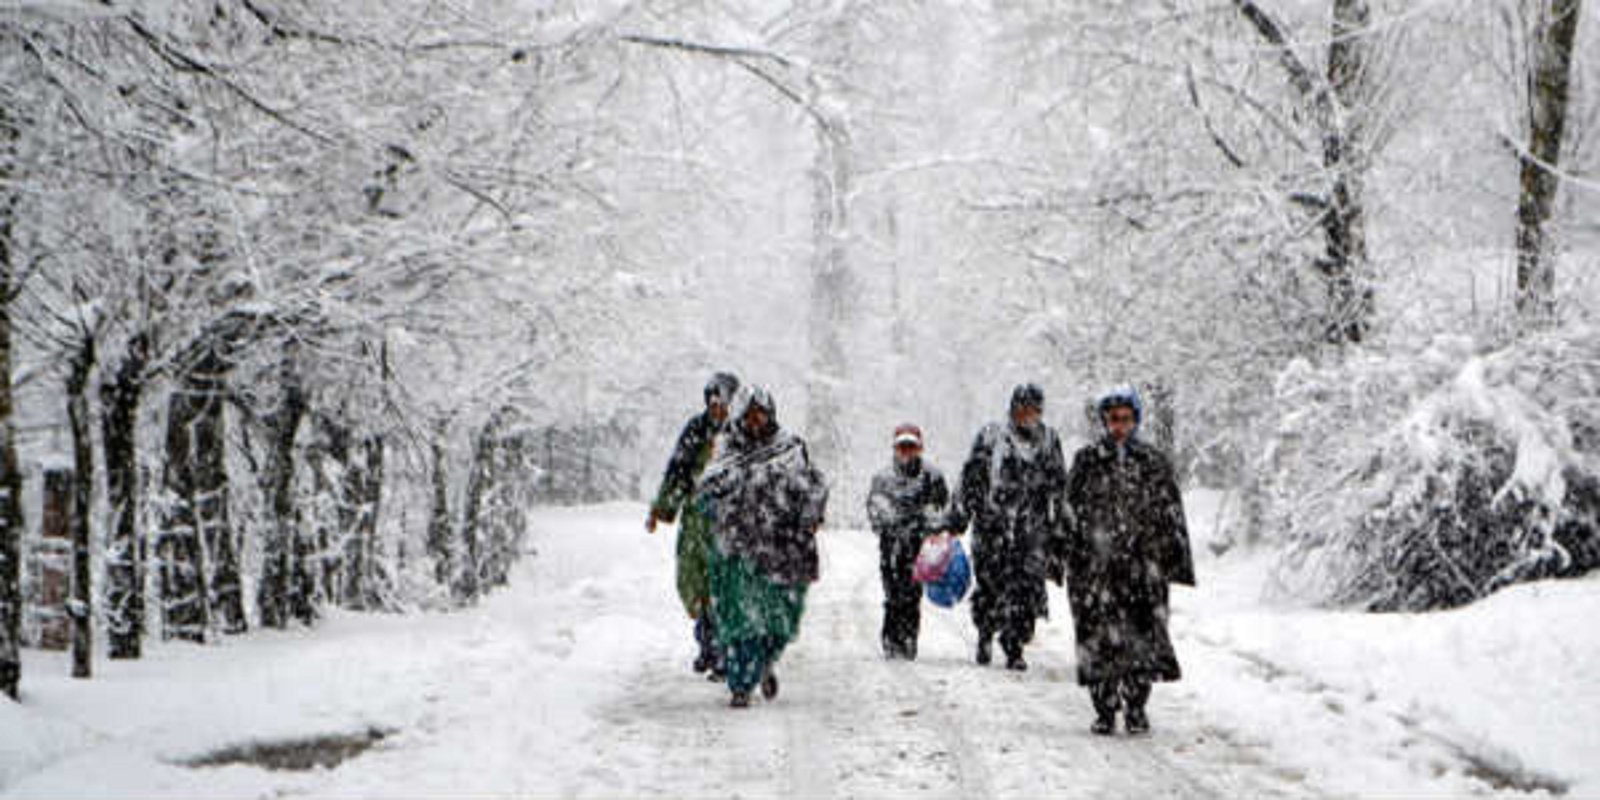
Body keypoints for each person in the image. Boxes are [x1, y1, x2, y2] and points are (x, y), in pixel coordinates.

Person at [1063, 387, 1195, 736]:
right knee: (1098, 639)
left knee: (1142, 640)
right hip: (1097, 569)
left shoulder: (1152, 462)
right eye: (1112, 419)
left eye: (1125, 418)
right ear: (1104, 421)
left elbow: (1171, 514)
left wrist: (1172, 560)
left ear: (1135, 420)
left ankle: (1136, 706)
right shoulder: (1087, 461)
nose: (1119, 425)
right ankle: (1105, 708)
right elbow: (1069, 511)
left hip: (1141, 568)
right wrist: (1065, 554)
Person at [696, 386, 828, 708]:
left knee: (780, 622)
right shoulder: (727, 449)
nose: (756, 422)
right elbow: (707, 493)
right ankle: (741, 684)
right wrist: (730, 500)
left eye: (761, 415)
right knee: (740, 622)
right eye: (750, 416)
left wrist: (809, 516)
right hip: (739, 552)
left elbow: (814, 488)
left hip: (784, 551)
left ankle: (765, 661)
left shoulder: (790, 448)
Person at [948, 383, 1068, 671]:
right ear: (1013, 410)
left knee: (1027, 590)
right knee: (991, 586)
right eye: (1022, 410)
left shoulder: (1049, 441)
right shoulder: (991, 436)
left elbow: (1060, 486)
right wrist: (959, 517)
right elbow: (971, 478)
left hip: (1032, 530)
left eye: (1034, 411)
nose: (1027, 416)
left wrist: (1061, 528)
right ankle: (985, 633)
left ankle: (1015, 646)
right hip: (992, 526)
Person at [646, 371, 740, 677]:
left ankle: (725, 653)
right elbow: (677, 472)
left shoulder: (743, 433)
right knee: (692, 583)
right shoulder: (695, 430)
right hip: (696, 520)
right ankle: (707, 644)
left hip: (730, 523)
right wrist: (661, 509)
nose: (718, 408)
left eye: (723, 402)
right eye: (713, 402)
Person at [865, 423, 951, 661]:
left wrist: (929, 525)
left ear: (919, 448)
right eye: (902, 447)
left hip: (919, 546)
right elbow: (875, 508)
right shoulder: (882, 478)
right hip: (891, 545)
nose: (906, 452)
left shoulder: (932, 476)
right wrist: (890, 523)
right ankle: (891, 638)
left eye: (911, 446)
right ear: (895, 448)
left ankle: (909, 637)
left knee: (913, 594)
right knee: (892, 593)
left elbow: (941, 508)